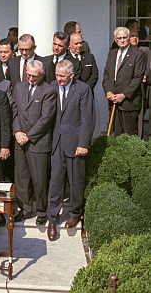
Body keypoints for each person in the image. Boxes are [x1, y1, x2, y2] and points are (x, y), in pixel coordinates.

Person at [47, 60, 95, 241]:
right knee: (55, 180)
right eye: (57, 75)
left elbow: (87, 118)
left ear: (72, 75)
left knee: (76, 181)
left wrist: (83, 143)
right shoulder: (51, 87)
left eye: (62, 76)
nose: (58, 79)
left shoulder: (83, 89)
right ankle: (53, 218)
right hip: (56, 142)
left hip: (76, 143)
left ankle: (75, 213)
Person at [12, 60, 56, 224]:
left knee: (39, 179)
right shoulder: (19, 86)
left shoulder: (49, 91)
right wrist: (17, 132)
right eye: (28, 75)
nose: (30, 78)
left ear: (42, 75)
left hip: (38, 142)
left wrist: (28, 136)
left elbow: (45, 119)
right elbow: (14, 111)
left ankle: (42, 211)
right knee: (22, 178)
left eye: (34, 76)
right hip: (20, 140)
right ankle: (25, 209)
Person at [102, 27, 146, 136]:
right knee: (116, 136)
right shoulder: (112, 54)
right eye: (119, 38)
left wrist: (124, 95)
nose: (122, 40)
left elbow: (138, 78)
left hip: (129, 103)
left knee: (130, 137)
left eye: (125, 37)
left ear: (129, 38)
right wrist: (108, 92)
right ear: (115, 40)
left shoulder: (137, 54)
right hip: (114, 102)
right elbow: (106, 74)